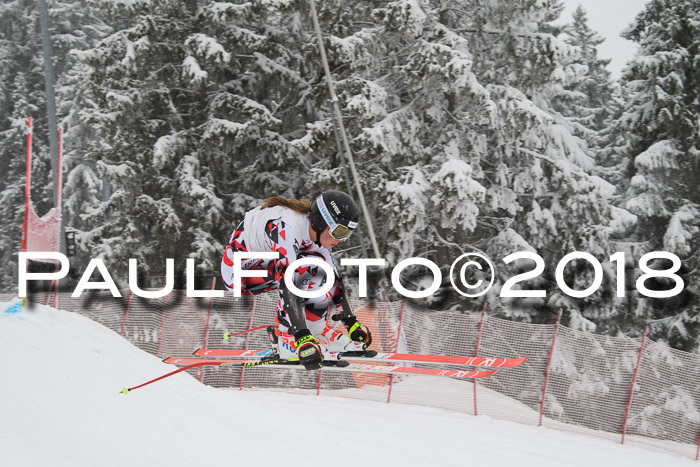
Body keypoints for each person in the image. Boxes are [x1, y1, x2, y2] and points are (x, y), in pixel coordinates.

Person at [220, 190, 372, 370]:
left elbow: (334, 279)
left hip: (263, 266)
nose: (341, 240)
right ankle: (286, 338)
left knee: (321, 269)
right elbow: (289, 281)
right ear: (321, 221)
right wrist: (301, 335)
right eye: (339, 232)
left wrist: (351, 322)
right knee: (304, 268)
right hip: (237, 272)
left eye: (347, 234)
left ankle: (318, 331)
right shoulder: (287, 228)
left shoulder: (316, 235)